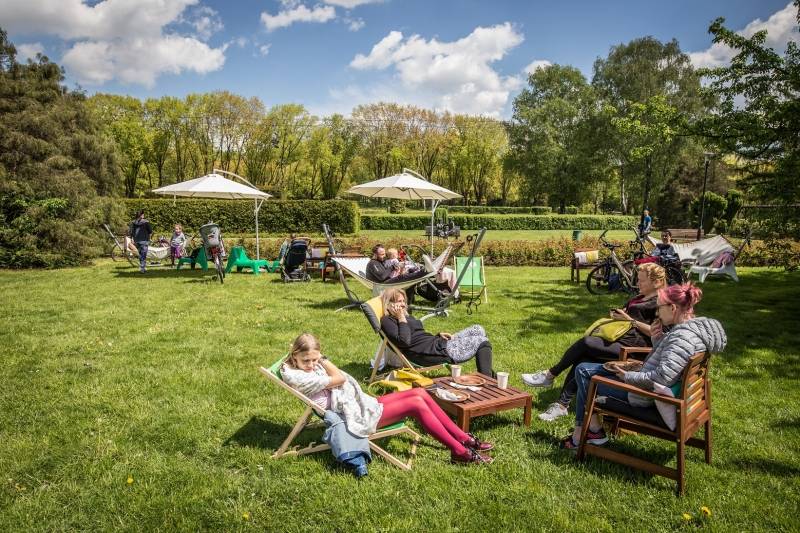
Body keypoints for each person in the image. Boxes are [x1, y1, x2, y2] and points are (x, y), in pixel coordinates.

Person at [280, 333, 494, 468]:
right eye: (306, 360)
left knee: (420, 393)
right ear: (295, 355)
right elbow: (340, 378)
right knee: (416, 405)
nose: (312, 365)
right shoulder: (299, 377)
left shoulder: (302, 366)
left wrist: (320, 360)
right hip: (351, 417)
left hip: (358, 405)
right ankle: (459, 451)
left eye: (315, 359)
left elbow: (334, 377)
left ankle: (463, 438)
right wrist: (323, 361)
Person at [559, 282, 726, 449]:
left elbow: (662, 377)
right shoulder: (693, 331)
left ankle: (584, 434)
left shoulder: (681, 337)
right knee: (584, 369)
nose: (657, 313)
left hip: (643, 396)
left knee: (585, 376)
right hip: (655, 389)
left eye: (659, 307)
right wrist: (657, 340)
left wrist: (627, 376)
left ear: (673, 308)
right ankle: (593, 431)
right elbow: (671, 364)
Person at [522, 263, 668, 421]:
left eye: (642, 280)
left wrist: (630, 321)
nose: (637, 283)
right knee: (583, 358)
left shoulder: (660, 304)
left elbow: (659, 334)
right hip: (618, 341)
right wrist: (619, 315)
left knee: (586, 343)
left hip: (633, 350)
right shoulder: (639, 297)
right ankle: (561, 405)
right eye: (637, 279)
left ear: (657, 282)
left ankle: (550, 375)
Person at [380, 288, 494, 377]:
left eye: (403, 301)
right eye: (399, 302)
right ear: (389, 304)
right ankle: (487, 380)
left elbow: (418, 336)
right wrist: (401, 318)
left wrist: (437, 336)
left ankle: (488, 373)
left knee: (478, 329)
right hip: (433, 353)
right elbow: (404, 341)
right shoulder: (387, 321)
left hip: (436, 344)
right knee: (481, 341)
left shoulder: (404, 316)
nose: (403, 304)